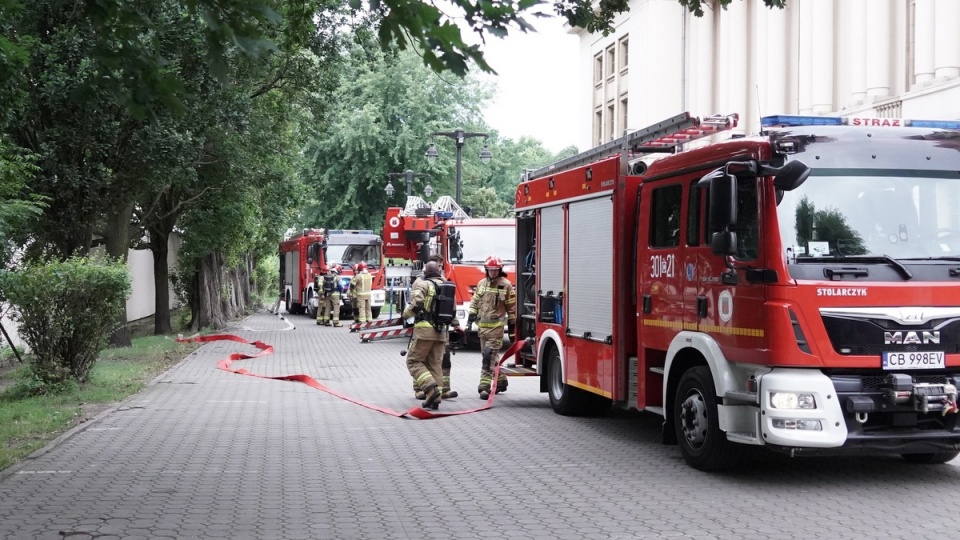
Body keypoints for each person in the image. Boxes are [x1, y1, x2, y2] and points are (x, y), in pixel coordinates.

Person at [402, 260, 462, 410]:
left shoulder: (423, 284)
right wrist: (456, 325)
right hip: (442, 332)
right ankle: (437, 398)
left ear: (426, 272)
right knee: (435, 365)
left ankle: (430, 389)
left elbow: (417, 304)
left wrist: (405, 315)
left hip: (424, 331)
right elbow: (453, 311)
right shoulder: (448, 286)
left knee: (413, 361)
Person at [467, 255, 516, 399]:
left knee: (488, 357)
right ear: (486, 270)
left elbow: (511, 308)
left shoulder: (505, 285)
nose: (493, 272)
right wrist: (470, 318)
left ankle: (484, 387)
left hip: (496, 330)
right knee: (489, 356)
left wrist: (512, 327)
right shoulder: (482, 283)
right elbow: (475, 302)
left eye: (495, 270)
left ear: (500, 270)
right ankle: (501, 381)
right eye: (490, 270)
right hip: (482, 330)